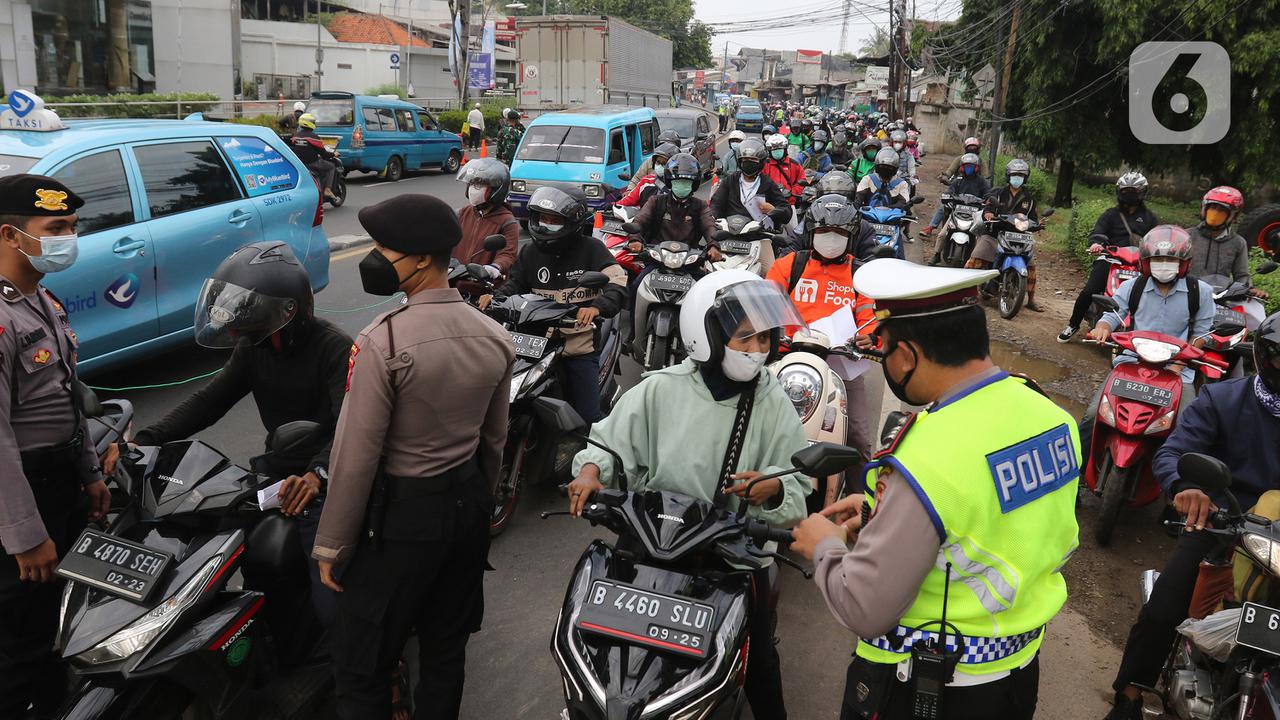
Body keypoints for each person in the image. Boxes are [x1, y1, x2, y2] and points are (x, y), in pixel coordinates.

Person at [791, 258, 1081, 720]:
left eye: (883, 350)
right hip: (1017, 673)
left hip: (926, 687)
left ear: (907, 355)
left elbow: (866, 607)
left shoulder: (926, 455)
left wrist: (825, 548)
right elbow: (989, 512)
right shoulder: (1053, 418)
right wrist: (882, 510)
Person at [568, 270, 811, 720]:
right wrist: (589, 473)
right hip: (651, 542)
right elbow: (608, 442)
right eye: (745, 337)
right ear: (707, 334)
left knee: (759, 660)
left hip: (731, 554)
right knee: (602, 644)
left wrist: (774, 487)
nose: (757, 349)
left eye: (765, 338)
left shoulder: (773, 402)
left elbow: (797, 484)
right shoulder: (661, 387)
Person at [313, 194, 513, 720]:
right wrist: (478, 508)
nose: (374, 259)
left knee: (362, 666)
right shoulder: (495, 336)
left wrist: (332, 543)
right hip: (466, 508)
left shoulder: (383, 341)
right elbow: (494, 441)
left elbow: (356, 454)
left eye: (384, 249)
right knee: (446, 651)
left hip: (401, 522)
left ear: (422, 259)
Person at [1102, 312, 1280, 720]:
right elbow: (1173, 452)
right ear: (1265, 357)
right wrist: (1187, 488)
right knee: (1165, 608)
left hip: (1279, 539)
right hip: (1223, 522)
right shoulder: (1224, 399)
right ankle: (1129, 694)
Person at [0, 175, 111, 719]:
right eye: (57, 228)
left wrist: (89, 472)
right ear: (9, 234)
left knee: (57, 623)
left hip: (60, 481)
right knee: (20, 642)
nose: (69, 239)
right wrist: (24, 537)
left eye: (72, 227)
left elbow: (67, 393)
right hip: (23, 495)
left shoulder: (40, 298)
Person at [766, 194, 879, 481]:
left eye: (839, 232)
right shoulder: (789, 265)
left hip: (841, 366)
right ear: (811, 232)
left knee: (858, 438)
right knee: (750, 421)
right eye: (824, 230)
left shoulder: (861, 274)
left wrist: (868, 338)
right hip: (786, 360)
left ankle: (860, 502)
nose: (831, 237)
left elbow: (870, 318)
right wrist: (770, 334)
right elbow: (766, 308)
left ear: (851, 236)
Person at [1079, 226, 1215, 457]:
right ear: (1146, 262)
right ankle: (1081, 468)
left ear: (1184, 263)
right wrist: (1102, 327)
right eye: (1157, 259)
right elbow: (1114, 314)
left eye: (1170, 260)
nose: (1163, 264)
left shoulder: (1199, 292)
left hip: (1177, 371)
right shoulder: (1133, 286)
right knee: (1093, 416)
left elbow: (1201, 334)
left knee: (1186, 429)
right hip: (1132, 363)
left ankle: (1171, 475)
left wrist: (1178, 365)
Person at [494, 187, 626, 424]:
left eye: (554, 221)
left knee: (588, 417)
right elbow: (516, 283)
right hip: (532, 344)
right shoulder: (530, 251)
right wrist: (495, 298)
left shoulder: (593, 249)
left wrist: (596, 307)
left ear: (573, 222)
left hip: (577, 344)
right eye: (543, 219)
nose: (546, 225)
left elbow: (617, 282)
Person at [1058, 172, 1159, 342]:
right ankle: (1073, 324)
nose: (1130, 194)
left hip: (1139, 264)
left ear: (1142, 192)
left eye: (1134, 191)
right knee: (1089, 291)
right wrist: (1096, 244)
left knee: (1155, 293)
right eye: (1126, 191)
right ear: (1119, 192)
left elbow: (1156, 239)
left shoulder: (1150, 218)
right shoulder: (1110, 214)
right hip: (1110, 259)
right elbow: (1098, 232)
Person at [964, 158, 1043, 311]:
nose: (1017, 178)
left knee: (1031, 267)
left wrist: (1037, 225)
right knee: (976, 258)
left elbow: (1032, 218)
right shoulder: (998, 193)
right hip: (995, 233)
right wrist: (988, 214)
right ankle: (967, 291)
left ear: (1025, 177)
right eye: (1014, 175)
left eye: (1021, 175)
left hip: (1018, 236)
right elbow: (988, 208)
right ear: (1008, 176)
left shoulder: (1029, 198)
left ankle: (1031, 300)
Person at [452, 158, 520, 279]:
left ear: (496, 190)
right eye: (471, 184)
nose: (473, 189)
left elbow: (508, 254)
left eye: (479, 185)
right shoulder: (461, 214)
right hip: (454, 281)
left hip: (484, 285)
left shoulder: (507, 221)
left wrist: (494, 268)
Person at [1187, 185, 1261, 293]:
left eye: (1222, 210)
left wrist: (1249, 289)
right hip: (1188, 293)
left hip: (1219, 297)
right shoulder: (1187, 236)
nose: (1215, 213)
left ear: (1233, 216)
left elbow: (1241, 276)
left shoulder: (1238, 243)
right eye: (1212, 208)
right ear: (1204, 209)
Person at [711, 139, 794, 230]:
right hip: (731, 231)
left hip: (758, 233)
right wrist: (716, 220)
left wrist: (773, 210)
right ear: (740, 161)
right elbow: (716, 204)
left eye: (753, 160)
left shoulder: (767, 183)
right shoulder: (730, 180)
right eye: (745, 159)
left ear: (761, 162)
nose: (748, 162)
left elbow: (786, 211)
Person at [927, 154, 991, 265]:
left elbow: (988, 194)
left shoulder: (982, 181)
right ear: (962, 167)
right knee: (942, 234)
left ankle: (978, 260)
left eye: (971, 166)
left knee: (980, 237)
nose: (968, 168)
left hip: (975, 214)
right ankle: (936, 255)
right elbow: (950, 191)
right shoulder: (958, 180)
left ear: (976, 168)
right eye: (966, 166)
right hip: (957, 211)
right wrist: (947, 196)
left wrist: (987, 201)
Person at [290, 113, 339, 202]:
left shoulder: (296, 136)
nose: (314, 123)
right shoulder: (314, 137)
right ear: (308, 123)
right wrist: (333, 154)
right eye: (313, 122)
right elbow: (324, 154)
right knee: (331, 166)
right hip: (313, 163)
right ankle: (327, 190)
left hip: (300, 164)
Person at [618, 142, 679, 208]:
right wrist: (629, 191)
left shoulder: (679, 185)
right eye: (658, 162)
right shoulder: (647, 181)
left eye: (664, 164)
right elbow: (625, 202)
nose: (660, 166)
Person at [763, 134, 806, 205]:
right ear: (770, 151)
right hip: (768, 204)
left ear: (785, 149)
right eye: (774, 149)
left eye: (780, 149)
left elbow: (801, 182)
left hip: (789, 203)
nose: (777, 151)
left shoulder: (794, 165)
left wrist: (791, 194)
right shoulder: (764, 165)